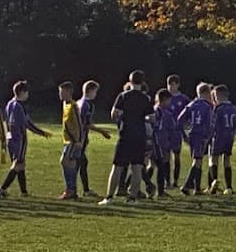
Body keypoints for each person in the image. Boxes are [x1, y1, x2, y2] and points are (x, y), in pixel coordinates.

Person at [98, 70, 153, 205]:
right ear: (142, 82)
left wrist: (122, 118)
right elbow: (151, 117)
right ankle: (132, 198)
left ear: (130, 80)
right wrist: (141, 118)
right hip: (139, 135)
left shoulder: (123, 96)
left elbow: (113, 113)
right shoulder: (146, 98)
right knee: (137, 167)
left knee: (117, 166)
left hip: (126, 134)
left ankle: (109, 197)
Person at [1, 81, 49, 196]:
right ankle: (2, 188)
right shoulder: (20, 106)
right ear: (22, 92)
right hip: (19, 139)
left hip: (10, 137)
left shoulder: (9, 104)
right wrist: (41, 132)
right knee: (17, 164)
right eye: (27, 92)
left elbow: (7, 120)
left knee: (21, 164)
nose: (28, 95)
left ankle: (24, 191)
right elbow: (27, 123)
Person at [76, 81, 112, 198]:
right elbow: (86, 124)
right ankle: (73, 189)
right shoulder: (87, 105)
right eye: (95, 91)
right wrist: (102, 132)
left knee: (82, 162)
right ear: (91, 91)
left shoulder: (78, 103)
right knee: (78, 162)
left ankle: (84, 189)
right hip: (80, 138)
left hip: (77, 137)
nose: (96, 94)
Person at [178, 83, 215, 196]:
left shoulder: (191, 104)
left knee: (197, 160)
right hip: (201, 135)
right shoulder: (208, 107)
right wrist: (207, 137)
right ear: (207, 93)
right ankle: (186, 185)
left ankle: (196, 188)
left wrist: (184, 135)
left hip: (192, 134)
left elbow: (179, 119)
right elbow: (209, 124)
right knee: (197, 161)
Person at [207, 85, 236, 195]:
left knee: (213, 159)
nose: (214, 98)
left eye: (215, 95)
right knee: (226, 160)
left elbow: (214, 124)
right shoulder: (234, 108)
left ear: (219, 95)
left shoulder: (218, 109)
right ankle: (229, 187)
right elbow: (234, 124)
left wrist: (209, 136)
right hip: (229, 136)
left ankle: (214, 181)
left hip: (218, 136)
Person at [149, 89, 178, 198]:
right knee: (160, 166)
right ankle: (159, 192)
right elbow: (171, 130)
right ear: (165, 100)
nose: (169, 103)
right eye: (169, 101)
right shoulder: (163, 113)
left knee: (150, 165)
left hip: (152, 142)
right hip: (158, 143)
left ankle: (147, 187)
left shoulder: (153, 111)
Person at [58, 81, 84, 200]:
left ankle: (70, 189)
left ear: (68, 92)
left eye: (62, 92)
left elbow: (79, 123)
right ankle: (71, 190)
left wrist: (79, 140)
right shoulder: (65, 104)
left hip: (73, 140)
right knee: (70, 163)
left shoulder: (73, 105)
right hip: (68, 139)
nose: (60, 94)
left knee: (65, 161)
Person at [165, 75, 191, 188]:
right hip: (165, 131)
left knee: (176, 156)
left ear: (178, 85)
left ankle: (175, 180)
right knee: (166, 157)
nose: (171, 87)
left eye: (173, 84)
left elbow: (189, 115)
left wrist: (186, 130)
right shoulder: (164, 96)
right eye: (169, 84)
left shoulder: (183, 99)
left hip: (176, 131)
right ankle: (167, 181)